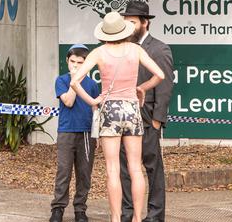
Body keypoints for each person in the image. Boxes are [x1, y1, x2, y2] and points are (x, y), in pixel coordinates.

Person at [70, 12, 165, 222]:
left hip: (109, 109)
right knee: (135, 168)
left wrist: (93, 101)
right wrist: (141, 88)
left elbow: (75, 82)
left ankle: (115, 219)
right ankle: (138, 219)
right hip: (132, 108)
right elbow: (160, 75)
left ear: (105, 33)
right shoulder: (135, 49)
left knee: (113, 169)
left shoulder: (99, 52)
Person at [119, 1, 175, 222]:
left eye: (132, 22)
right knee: (125, 170)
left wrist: (157, 120)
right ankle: (128, 213)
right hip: (124, 118)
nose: (129, 26)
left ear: (145, 22)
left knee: (153, 169)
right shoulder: (122, 48)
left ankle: (154, 216)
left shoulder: (159, 49)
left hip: (147, 118)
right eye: (126, 22)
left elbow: (165, 85)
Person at [50, 44, 100, 222]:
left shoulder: (93, 84)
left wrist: (97, 134)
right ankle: (58, 209)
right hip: (67, 131)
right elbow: (68, 101)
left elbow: (95, 109)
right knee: (63, 171)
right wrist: (74, 81)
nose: (76, 65)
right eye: (72, 61)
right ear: (67, 61)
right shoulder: (62, 81)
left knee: (84, 173)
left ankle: (80, 209)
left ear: (87, 63)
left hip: (86, 133)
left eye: (80, 62)